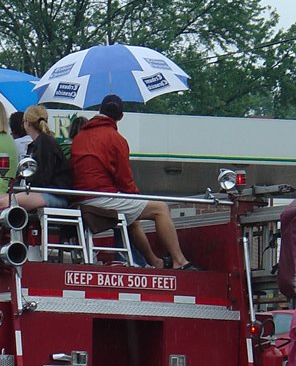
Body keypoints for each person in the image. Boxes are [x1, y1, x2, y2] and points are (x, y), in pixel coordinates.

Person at [69, 94, 200, 270]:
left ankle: (155, 262)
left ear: (99, 111)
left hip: (81, 199)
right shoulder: (116, 139)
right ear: (121, 117)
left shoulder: (79, 137)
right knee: (160, 209)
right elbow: (125, 180)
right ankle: (179, 261)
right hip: (101, 197)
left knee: (133, 217)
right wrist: (136, 197)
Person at [13, 104, 72, 211]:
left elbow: (42, 178)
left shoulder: (45, 143)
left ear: (28, 123)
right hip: (44, 193)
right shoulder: (40, 143)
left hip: (54, 195)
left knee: (5, 202)